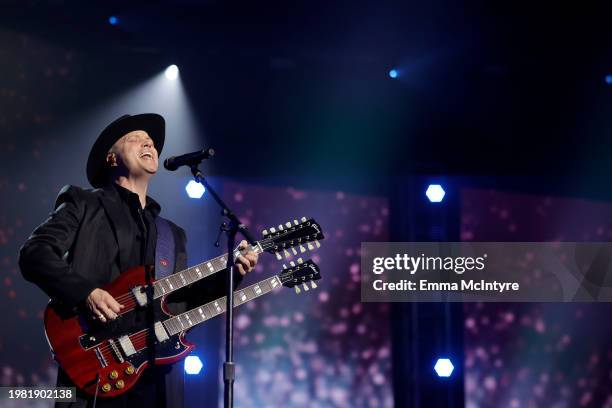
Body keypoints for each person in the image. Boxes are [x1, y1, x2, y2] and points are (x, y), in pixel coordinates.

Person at [18, 113, 258, 407]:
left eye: (152, 142)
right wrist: (86, 293)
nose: (149, 144)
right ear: (110, 159)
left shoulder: (172, 235)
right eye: (136, 138)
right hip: (94, 371)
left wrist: (232, 275)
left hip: (156, 381)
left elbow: (181, 305)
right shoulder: (83, 203)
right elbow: (35, 252)